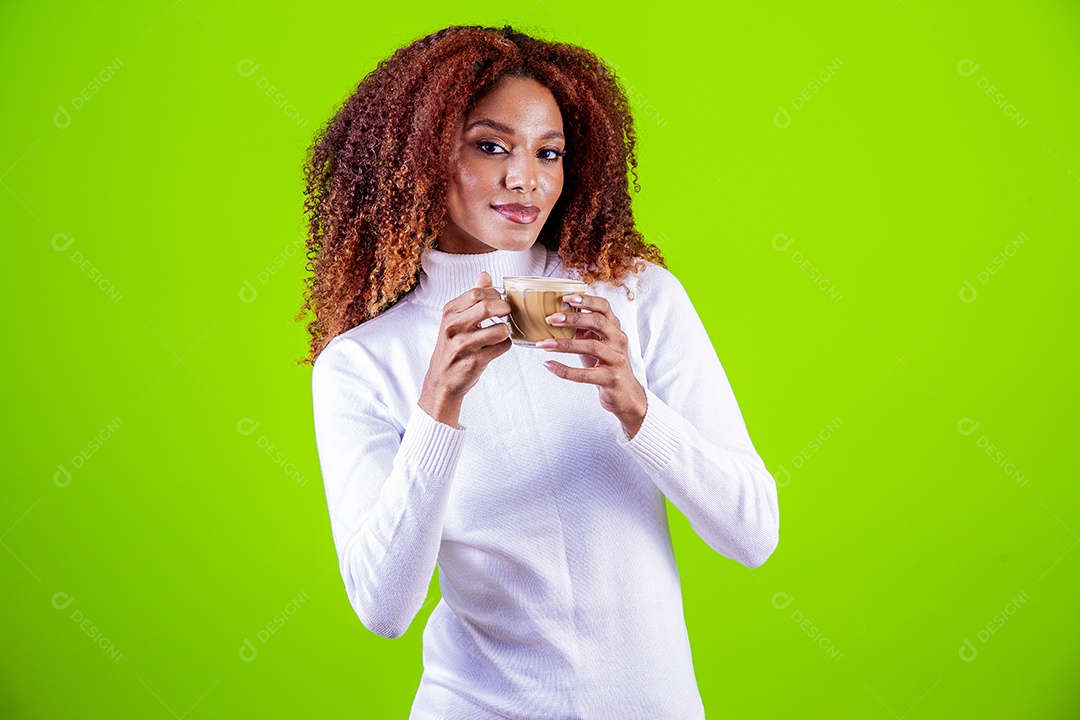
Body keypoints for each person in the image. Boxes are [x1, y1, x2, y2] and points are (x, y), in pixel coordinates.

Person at [298, 24, 780, 719]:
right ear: (420, 155)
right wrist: (439, 406)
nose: (525, 177)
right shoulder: (364, 363)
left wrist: (637, 406)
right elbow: (384, 608)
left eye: (548, 153)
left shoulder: (635, 298)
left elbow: (753, 533)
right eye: (491, 146)